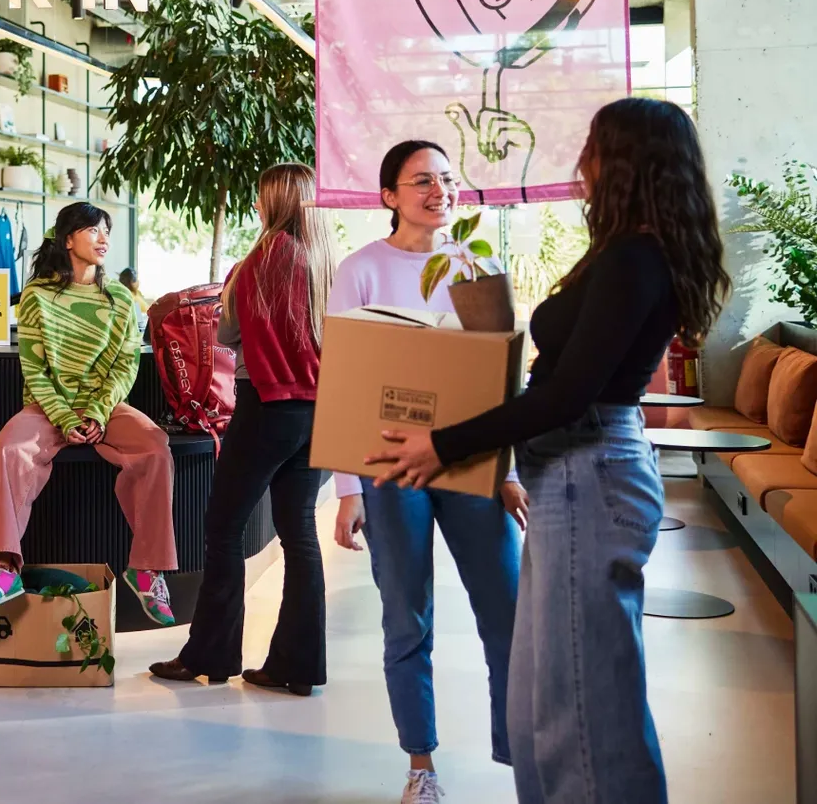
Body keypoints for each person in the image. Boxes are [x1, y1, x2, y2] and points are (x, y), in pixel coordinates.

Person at [370, 99, 730, 804]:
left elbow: (567, 394)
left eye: (594, 147)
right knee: (544, 697)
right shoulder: (627, 251)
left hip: (589, 472)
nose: (581, 162)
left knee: (580, 706)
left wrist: (443, 444)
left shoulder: (634, 259)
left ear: (626, 159)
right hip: (571, 470)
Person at [330, 140, 528, 804]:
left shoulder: (479, 266)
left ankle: (521, 753)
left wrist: (510, 470)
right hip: (390, 467)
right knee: (407, 616)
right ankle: (421, 766)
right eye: (422, 180)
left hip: (474, 461)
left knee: (507, 608)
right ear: (389, 196)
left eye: (446, 178)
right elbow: (347, 382)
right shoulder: (360, 270)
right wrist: (347, 490)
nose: (439, 189)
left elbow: (503, 381)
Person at [149, 162, 334, 695]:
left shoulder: (258, 261)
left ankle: (210, 656)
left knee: (224, 529)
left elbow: (226, 333)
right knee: (300, 534)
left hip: (266, 404)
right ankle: (297, 666)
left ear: (272, 202)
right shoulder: (326, 263)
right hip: (317, 412)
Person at [0, 202, 177, 625]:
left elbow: (125, 366)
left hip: (105, 407)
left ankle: (146, 568)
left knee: (155, 447)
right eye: (93, 231)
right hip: (47, 406)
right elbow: (34, 368)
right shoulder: (38, 296)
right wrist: (64, 417)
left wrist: (98, 413)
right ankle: (4, 568)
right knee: (8, 447)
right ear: (67, 239)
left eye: (106, 232)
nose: (104, 239)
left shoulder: (120, 299)